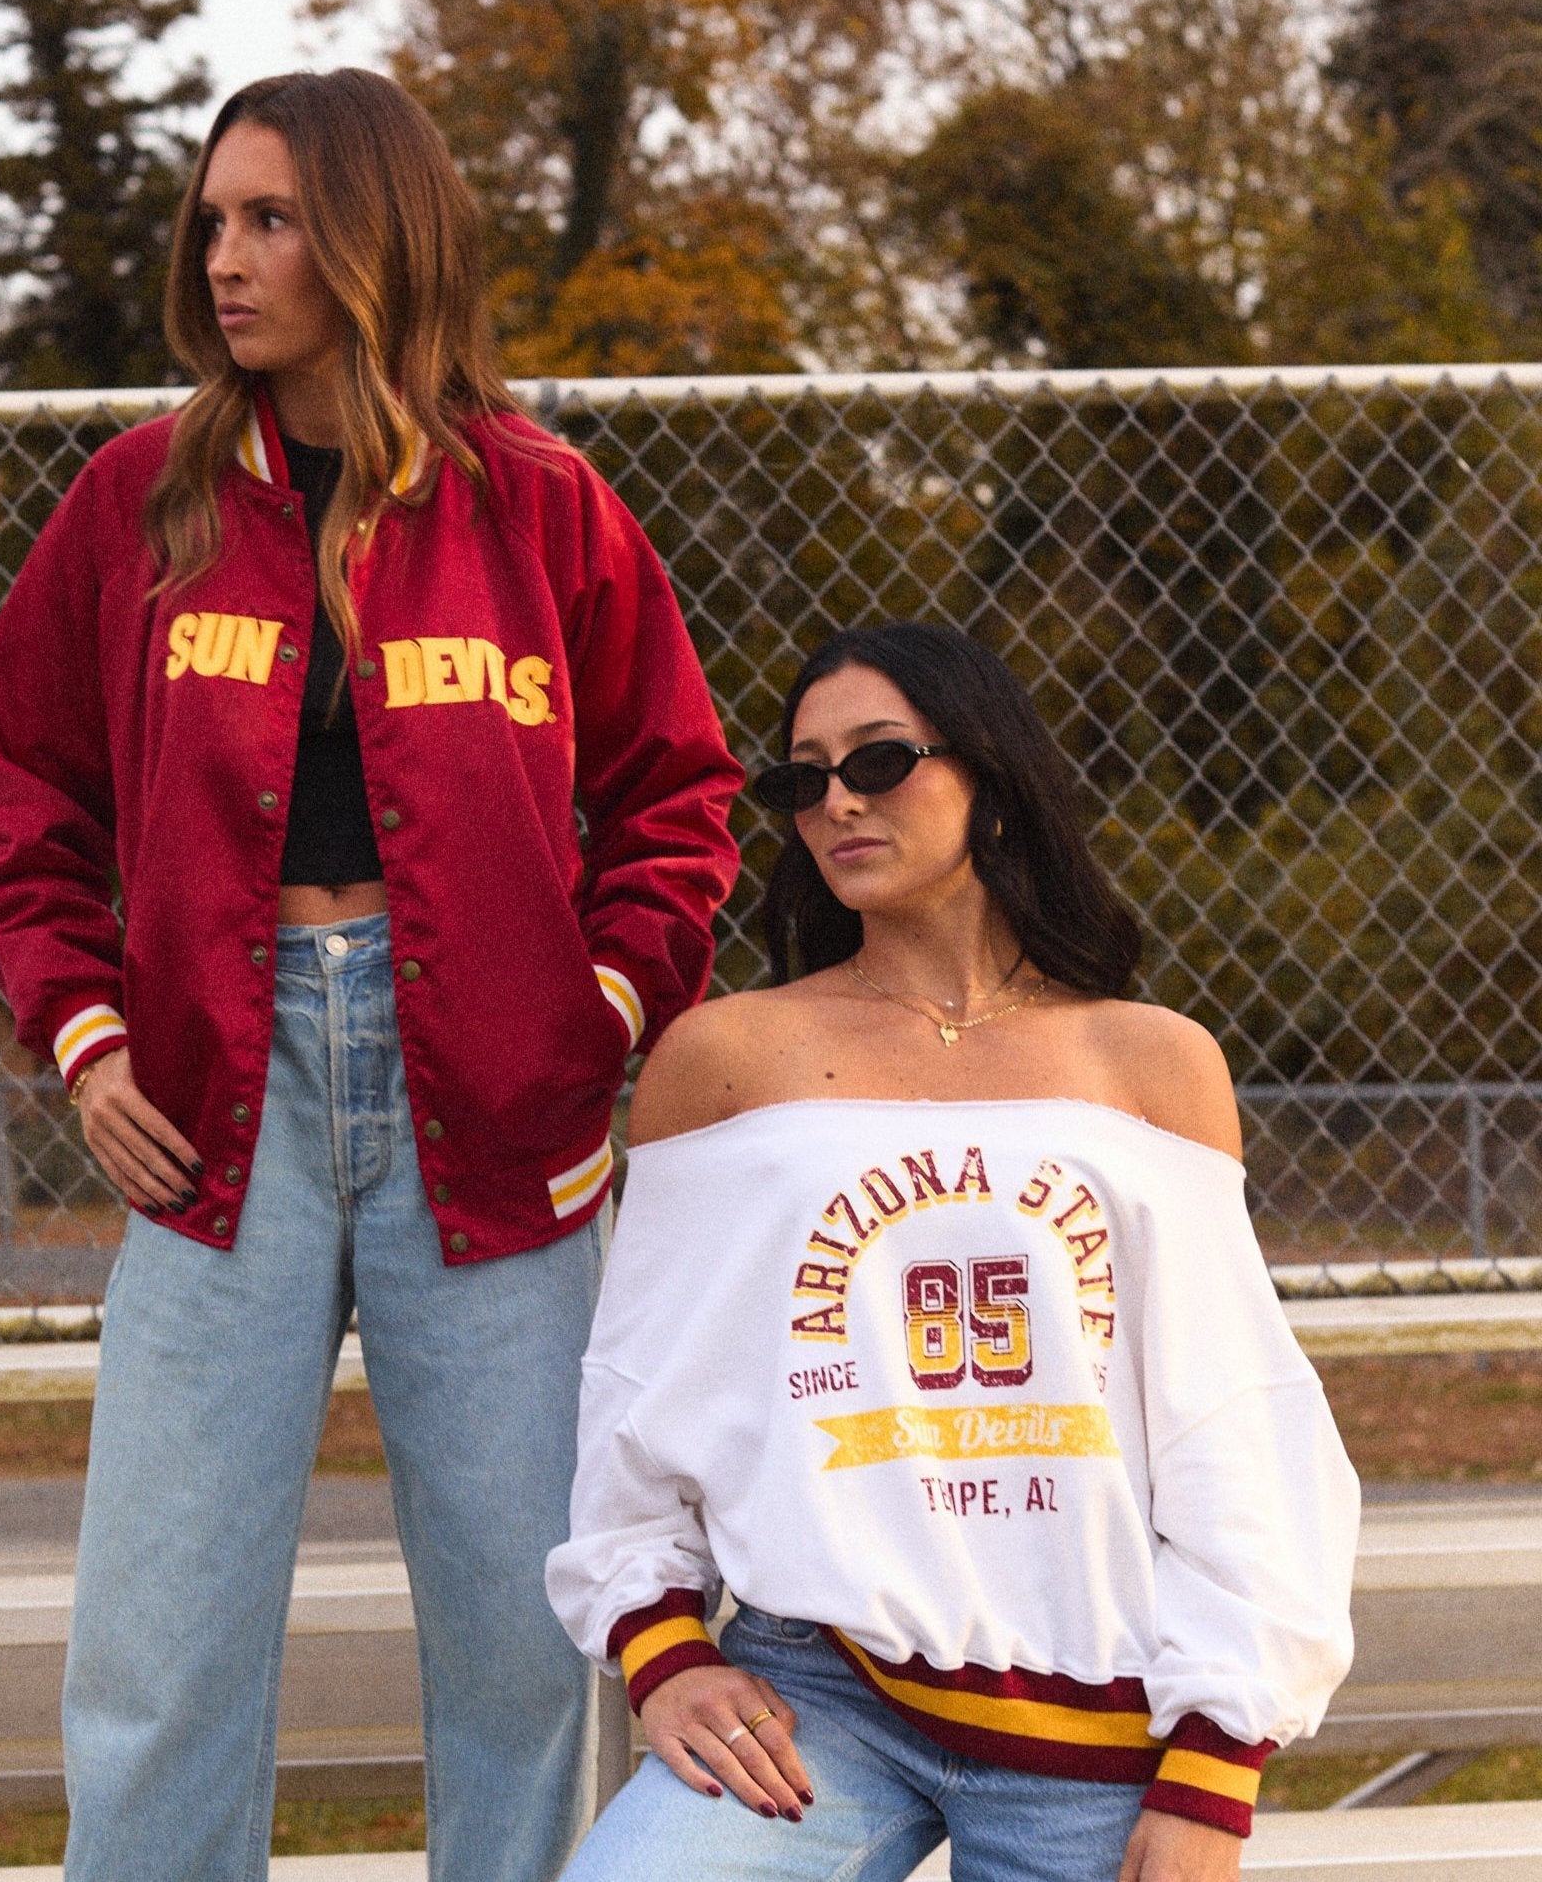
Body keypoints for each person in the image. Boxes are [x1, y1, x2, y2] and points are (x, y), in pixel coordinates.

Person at [0, 67, 742, 1882]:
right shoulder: (137, 499)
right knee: (158, 1641)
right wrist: (83, 1039)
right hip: (215, 1102)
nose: (224, 257)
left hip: (495, 1107)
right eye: (214, 220)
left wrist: (602, 1013)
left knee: (529, 1628)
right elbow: (24, 775)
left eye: (273, 219)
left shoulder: (541, 504)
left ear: (376, 239)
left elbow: (677, 794)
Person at [545, 622, 1359, 1882]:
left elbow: (1228, 1420)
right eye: (799, 778)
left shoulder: (1149, 1061)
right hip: (815, 1692)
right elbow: (641, 1386)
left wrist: (1213, 1764)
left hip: (1096, 1715)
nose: (833, 803)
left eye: (876, 761)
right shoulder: (722, 1060)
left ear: (987, 771)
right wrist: (662, 1645)